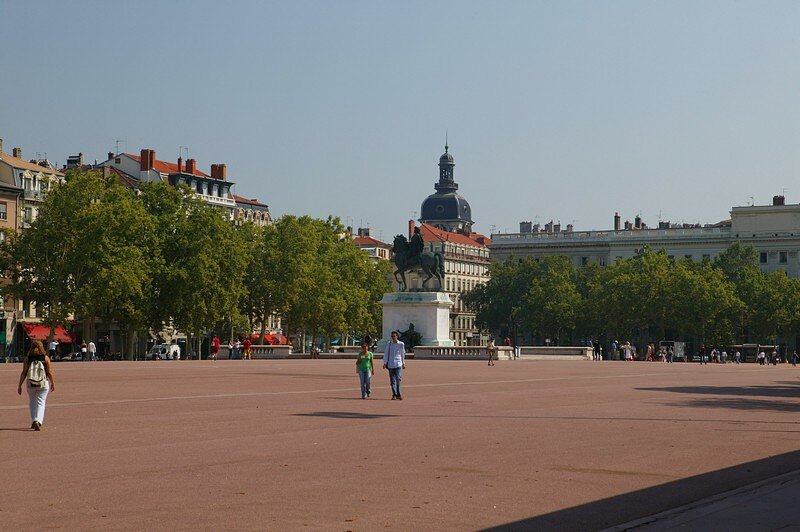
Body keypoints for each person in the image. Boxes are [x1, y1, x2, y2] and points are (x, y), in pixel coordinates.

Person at [17, 340, 55, 431]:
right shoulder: (45, 358)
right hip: (43, 383)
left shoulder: (27, 359)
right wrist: (53, 383)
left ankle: (34, 420)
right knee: (41, 402)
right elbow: (49, 372)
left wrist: (20, 385)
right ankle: (37, 420)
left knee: (32, 402)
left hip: (30, 383)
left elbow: (24, 372)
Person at [383, 331, 406, 400]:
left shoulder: (401, 344)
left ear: (397, 336)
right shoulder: (389, 344)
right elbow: (386, 353)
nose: (393, 337)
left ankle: (399, 394)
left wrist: (403, 363)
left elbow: (402, 354)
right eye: (392, 336)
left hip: (398, 363)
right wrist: (385, 363)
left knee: (398, 379)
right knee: (392, 381)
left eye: (394, 336)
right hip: (391, 364)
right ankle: (394, 394)